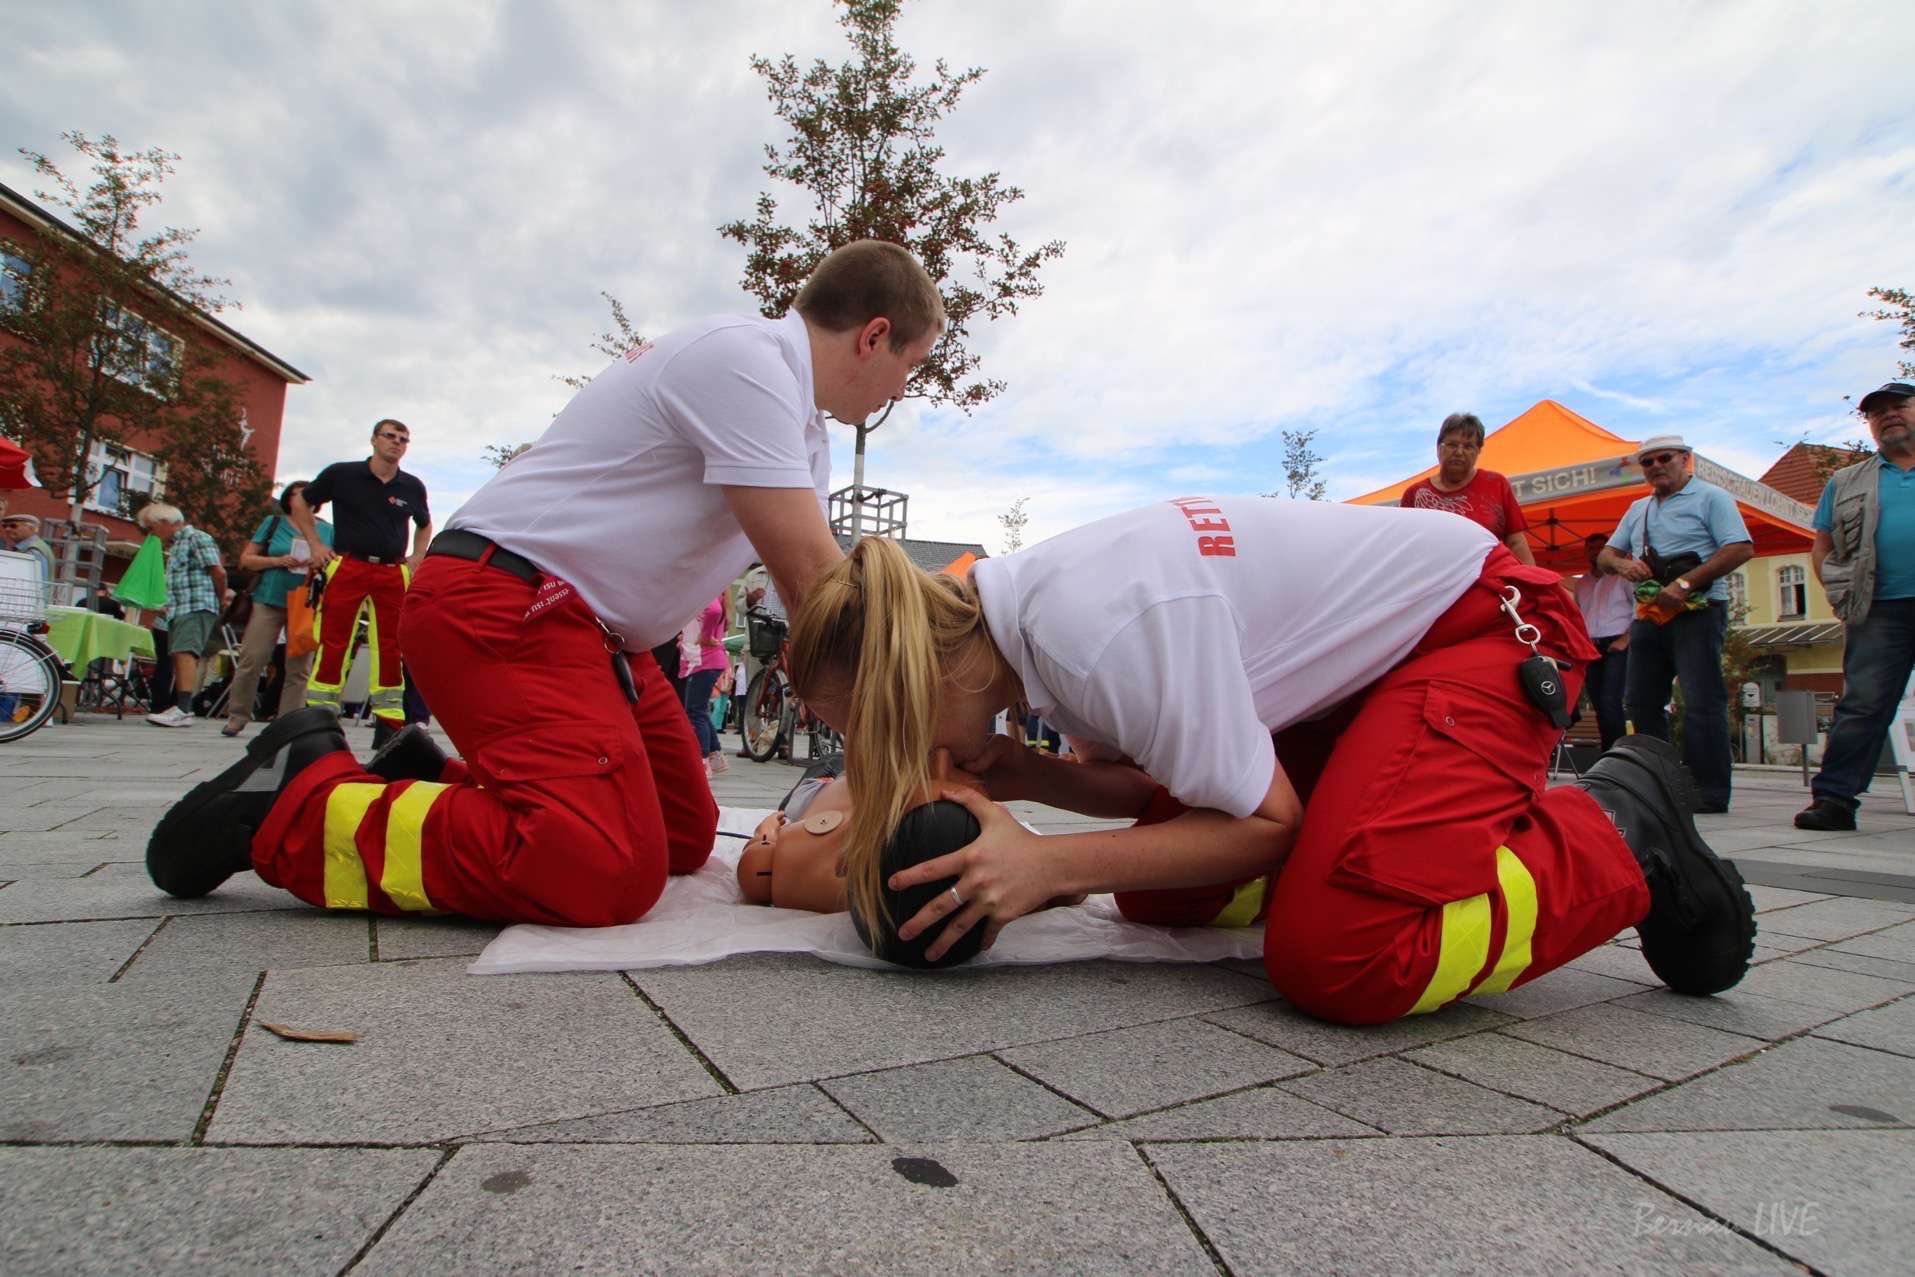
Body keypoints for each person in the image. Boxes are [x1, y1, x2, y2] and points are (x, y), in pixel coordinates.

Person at [146, 239, 942, 930]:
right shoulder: (747, 361)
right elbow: (816, 586)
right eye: (911, 365)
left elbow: (817, 618)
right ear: (875, 336)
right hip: (503, 599)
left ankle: (421, 782)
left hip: (594, 639)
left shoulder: (802, 427)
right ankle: (298, 797)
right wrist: (916, 750)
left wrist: (885, 744)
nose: (903, 391)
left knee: (676, 834)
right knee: (603, 865)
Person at [787, 497, 1757, 1024]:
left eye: (872, 737)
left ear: (915, 685)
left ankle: (1620, 826)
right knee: (1164, 889)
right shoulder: (1030, 621)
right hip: (1375, 668)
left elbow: (1262, 821)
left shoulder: (1096, 628)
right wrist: (1028, 775)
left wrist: (1049, 861)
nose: (881, 766)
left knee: (1342, 956)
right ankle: (1366, 855)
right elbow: (1164, 780)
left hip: (1483, 631)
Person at [1598, 436, 1754, 813]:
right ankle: (1658, 782)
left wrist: (1686, 583)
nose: (1655, 467)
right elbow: (1606, 554)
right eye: (1647, 462)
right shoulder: (1638, 508)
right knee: (1640, 699)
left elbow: (1740, 547)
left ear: (1686, 459)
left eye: (1663, 458)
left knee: (1701, 700)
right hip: (1651, 613)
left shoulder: (1712, 498)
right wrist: (1622, 565)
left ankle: (1708, 790)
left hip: (1698, 610)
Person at [1795, 382, 1915, 831]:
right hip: (1877, 606)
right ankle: (1835, 799)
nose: (1889, 416)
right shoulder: (1847, 480)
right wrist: (1837, 589)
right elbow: (1822, 542)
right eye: (1877, 412)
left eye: (1898, 406)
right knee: (1862, 703)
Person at [290, 419, 432, 748]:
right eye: (390, 437)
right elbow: (300, 500)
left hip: (392, 570)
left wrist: (418, 555)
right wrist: (314, 543)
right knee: (334, 640)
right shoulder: (342, 474)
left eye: (404, 440)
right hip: (349, 564)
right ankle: (321, 719)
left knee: (392, 645)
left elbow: (424, 524)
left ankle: (389, 725)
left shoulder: (411, 485)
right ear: (374, 440)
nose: (397, 444)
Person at [223, 481, 335, 738]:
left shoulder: (328, 531)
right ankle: (237, 715)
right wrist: (277, 560)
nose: (303, 500)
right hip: (270, 599)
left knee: (299, 666)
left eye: (308, 496)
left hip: (306, 602)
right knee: (253, 658)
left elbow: (335, 563)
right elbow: (247, 559)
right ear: (289, 499)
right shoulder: (273, 523)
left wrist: (319, 563)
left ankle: (288, 724)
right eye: (298, 495)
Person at [1399, 412, 1536, 565]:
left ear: (1478, 451)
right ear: (1439, 448)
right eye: (1452, 445)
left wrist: (1532, 585)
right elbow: (1406, 550)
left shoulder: (1497, 484)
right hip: (1435, 584)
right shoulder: (1414, 495)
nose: (1459, 452)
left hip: (1488, 581)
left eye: (1468, 446)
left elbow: (1516, 542)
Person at [142, 504, 227, 728]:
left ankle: (183, 708)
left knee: (185, 652)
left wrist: (218, 600)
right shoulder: (178, 544)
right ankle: (182, 707)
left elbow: (218, 571)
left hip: (195, 605)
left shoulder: (195, 538)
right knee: (180, 654)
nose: (151, 533)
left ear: (165, 522)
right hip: (182, 607)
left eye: (151, 527)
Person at [1572, 531, 1635, 751]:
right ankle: (1608, 751)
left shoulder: (1623, 577)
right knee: (1599, 703)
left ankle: (1616, 754)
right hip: (1591, 645)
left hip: (1617, 643)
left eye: (1600, 547)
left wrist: (1625, 640)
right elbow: (1577, 616)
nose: (1595, 552)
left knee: (1610, 702)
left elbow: (1641, 610)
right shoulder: (1583, 583)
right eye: (1591, 548)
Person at [683, 591, 733, 777]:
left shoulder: (710, 590)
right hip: (707, 658)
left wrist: (704, 636)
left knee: (694, 711)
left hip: (704, 659)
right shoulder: (720, 593)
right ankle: (715, 756)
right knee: (700, 709)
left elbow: (711, 610)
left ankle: (702, 761)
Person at [1, 512, 54, 579]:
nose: (7, 529)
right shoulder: (32, 546)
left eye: (13, 526)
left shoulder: (33, 550)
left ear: (30, 528)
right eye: (4, 526)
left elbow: (35, 582)